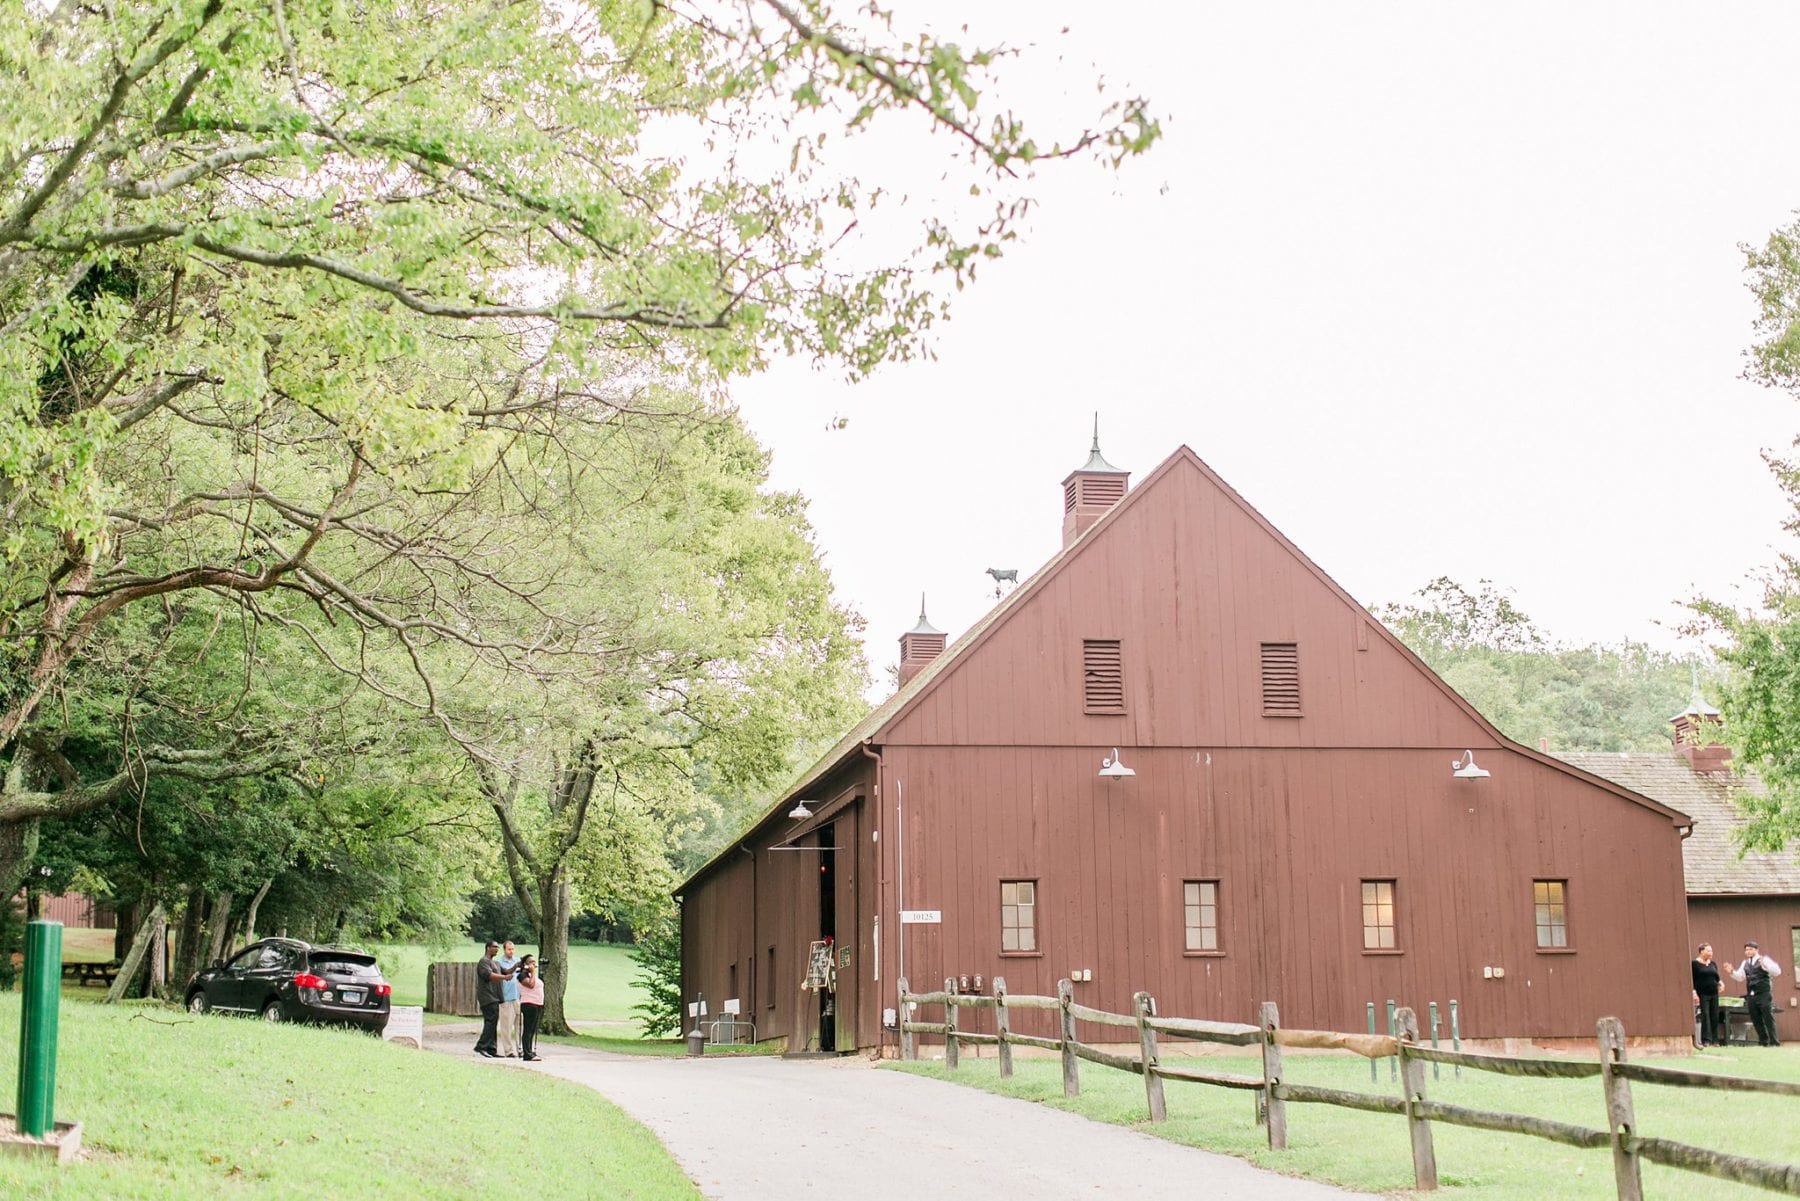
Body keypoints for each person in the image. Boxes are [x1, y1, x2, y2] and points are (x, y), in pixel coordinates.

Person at [1730, 941, 1784, 1047]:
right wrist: (1732, 972)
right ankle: (1763, 1041)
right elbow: (1740, 977)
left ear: (1756, 950)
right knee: (1755, 1018)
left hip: (1764, 992)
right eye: (1746, 949)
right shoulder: (1744, 963)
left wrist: (1766, 966)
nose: (1748, 951)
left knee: (1768, 1017)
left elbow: (1777, 972)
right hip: (1751, 994)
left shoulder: (1764, 959)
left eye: (1751, 949)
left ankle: (1774, 1041)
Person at [473, 940, 515, 1058]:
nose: (497, 949)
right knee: (490, 1021)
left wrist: (517, 965)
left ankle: (491, 1049)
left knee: (493, 1022)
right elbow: (489, 976)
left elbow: (507, 971)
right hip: (487, 996)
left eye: (497, 947)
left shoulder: (495, 963)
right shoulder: (483, 962)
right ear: (487, 948)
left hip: (495, 997)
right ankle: (481, 1046)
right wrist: (504, 977)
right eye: (494, 947)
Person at [1691, 943, 1724, 1046]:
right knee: (1705, 1015)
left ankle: (1715, 1040)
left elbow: (1716, 977)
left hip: (1714, 992)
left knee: (1714, 1015)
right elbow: (1692, 979)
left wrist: (1721, 983)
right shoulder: (1695, 964)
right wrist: (1694, 992)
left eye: (1711, 951)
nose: (1711, 953)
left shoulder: (1712, 964)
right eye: (1708, 951)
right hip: (1703, 993)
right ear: (1701, 952)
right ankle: (1706, 1040)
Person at [517, 953, 545, 1062]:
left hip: (536, 1004)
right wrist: (533, 972)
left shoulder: (531, 975)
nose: (533, 964)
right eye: (530, 962)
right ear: (525, 964)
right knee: (528, 1029)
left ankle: (530, 1050)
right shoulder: (522, 975)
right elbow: (531, 985)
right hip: (529, 1004)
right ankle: (527, 1053)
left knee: (532, 1029)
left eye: (534, 962)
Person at [496, 940, 522, 1058]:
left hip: (518, 997)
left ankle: (520, 1048)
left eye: (512, 949)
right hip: (506, 998)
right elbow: (506, 972)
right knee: (506, 1026)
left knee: (520, 1025)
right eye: (509, 949)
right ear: (504, 950)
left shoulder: (517, 961)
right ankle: (509, 1050)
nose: (511, 951)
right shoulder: (499, 963)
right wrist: (515, 966)